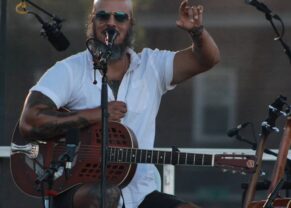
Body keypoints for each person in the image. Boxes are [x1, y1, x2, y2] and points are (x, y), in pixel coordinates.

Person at [18, 0, 220, 207]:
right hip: (78, 189)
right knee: (105, 196)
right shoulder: (69, 70)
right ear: (92, 21)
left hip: (140, 194)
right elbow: (29, 121)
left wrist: (197, 32)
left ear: (130, 23)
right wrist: (96, 115)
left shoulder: (153, 66)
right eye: (103, 16)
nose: (111, 23)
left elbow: (206, 60)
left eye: (120, 17)